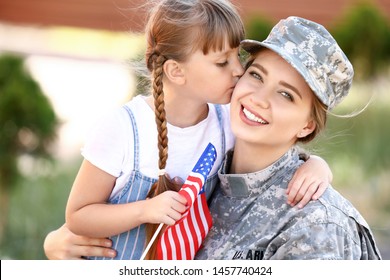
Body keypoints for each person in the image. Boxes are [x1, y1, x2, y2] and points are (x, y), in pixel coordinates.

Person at [45, 0, 332, 260]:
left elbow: (271, 148)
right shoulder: (122, 130)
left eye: (238, 57)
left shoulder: (223, 123)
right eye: (222, 62)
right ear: (176, 72)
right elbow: (78, 216)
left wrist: (316, 164)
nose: (238, 71)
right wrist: (144, 211)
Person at [195, 16, 382, 260]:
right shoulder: (203, 176)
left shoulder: (315, 224)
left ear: (307, 126)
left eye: (286, 94)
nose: (259, 98)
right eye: (257, 76)